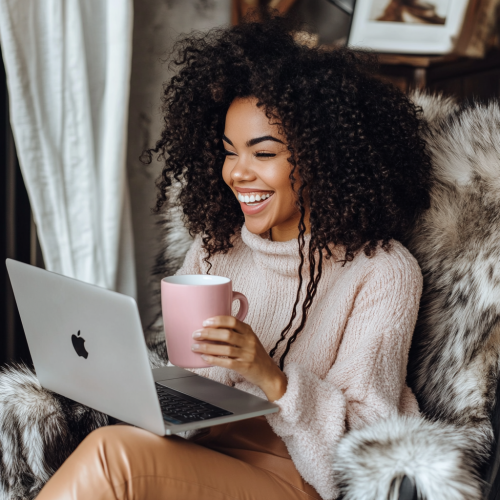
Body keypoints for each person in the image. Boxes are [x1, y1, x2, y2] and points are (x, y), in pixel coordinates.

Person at [37, 15, 431, 500]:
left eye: (262, 154)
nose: (238, 173)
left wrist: (269, 375)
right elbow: (191, 388)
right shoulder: (217, 246)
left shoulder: (383, 271)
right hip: (208, 451)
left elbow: (363, 453)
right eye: (229, 152)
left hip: (299, 478)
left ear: (322, 158)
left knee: (110, 456)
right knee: (110, 443)